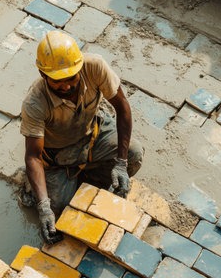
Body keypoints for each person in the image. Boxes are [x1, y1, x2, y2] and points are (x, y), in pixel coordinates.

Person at [20, 31, 144, 244]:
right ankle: (33, 186)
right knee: (60, 211)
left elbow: (122, 106)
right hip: (56, 156)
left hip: (93, 134)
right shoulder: (35, 103)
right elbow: (33, 156)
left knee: (134, 154)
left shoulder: (94, 67)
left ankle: (89, 178)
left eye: (72, 77)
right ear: (43, 74)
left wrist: (121, 163)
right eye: (57, 81)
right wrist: (44, 208)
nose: (66, 86)